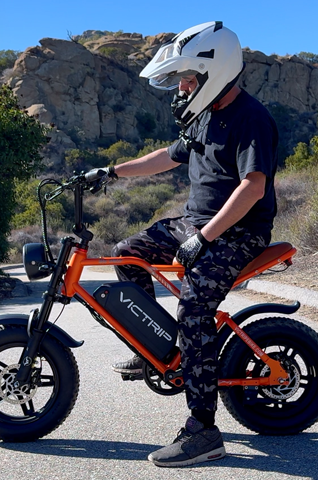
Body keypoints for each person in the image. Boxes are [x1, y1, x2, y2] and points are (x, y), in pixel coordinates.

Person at [87, 21, 278, 467]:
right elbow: (166, 157)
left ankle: (203, 431)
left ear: (215, 71)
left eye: (188, 78)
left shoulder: (252, 118)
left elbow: (253, 187)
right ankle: (155, 350)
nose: (182, 87)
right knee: (127, 253)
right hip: (195, 224)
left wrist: (204, 239)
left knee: (193, 308)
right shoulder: (204, 114)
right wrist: (110, 172)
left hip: (238, 231)